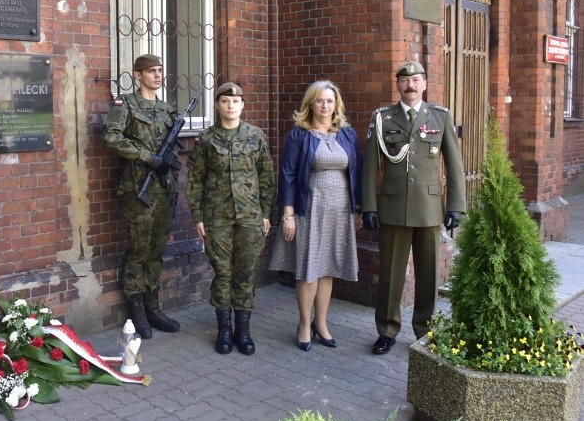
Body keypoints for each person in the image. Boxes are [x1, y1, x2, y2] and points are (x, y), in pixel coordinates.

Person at [361, 61, 466, 355]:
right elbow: (370, 165)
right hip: (393, 208)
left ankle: (425, 330)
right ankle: (386, 330)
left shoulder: (440, 116)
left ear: (425, 84)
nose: (411, 85)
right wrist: (368, 205)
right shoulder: (382, 118)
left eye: (416, 80)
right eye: (405, 80)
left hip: (430, 208)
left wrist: (456, 206)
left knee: (428, 274)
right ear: (398, 85)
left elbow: (455, 166)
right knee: (390, 275)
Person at [269, 80, 362, 351]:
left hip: (340, 209)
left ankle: (321, 323)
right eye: (320, 100)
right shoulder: (299, 134)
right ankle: (303, 323)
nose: (325, 106)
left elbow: (356, 173)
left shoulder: (347, 134)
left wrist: (356, 211)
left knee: (328, 267)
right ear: (311, 103)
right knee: (309, 268)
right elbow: (287, 175)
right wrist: (288, 215)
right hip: (310, 208)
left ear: (337, 105)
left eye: (330, 101)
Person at [186, 82, 275, 355]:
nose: (230, 106)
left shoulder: (255, 135)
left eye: (235, 102)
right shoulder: (207, 139)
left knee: (245, 274)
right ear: (217, 105)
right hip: (217, 218)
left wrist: (265, 213)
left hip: (249, 216)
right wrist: (198, 216)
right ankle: (224, 331)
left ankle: (243, 332)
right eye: (225, 101)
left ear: (242, 105)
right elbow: (196, 181)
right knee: (223, 273)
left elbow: (266, 177)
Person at [102, 54, 182, 339]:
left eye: (160, 71)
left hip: (165, 189)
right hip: (140, 189)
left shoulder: (166, 108)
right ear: (138, 75)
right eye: (151, 72)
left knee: (156, 250)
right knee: (139, 250)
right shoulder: (126, 105)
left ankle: (153, 305)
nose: (158, 76)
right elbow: (110, 136)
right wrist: (147, 156)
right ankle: (136, 309)